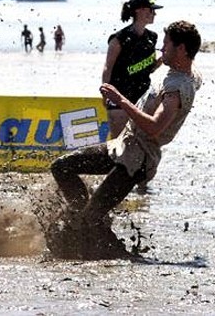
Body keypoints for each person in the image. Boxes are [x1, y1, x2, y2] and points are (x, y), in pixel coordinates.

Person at [49, 20, 202, 255]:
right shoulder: (186, 74)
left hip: (138, 159)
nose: (161, 49)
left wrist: (121, 100)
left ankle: (121, 257)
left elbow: (154, 127)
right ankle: (81, 222)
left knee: (93, 216)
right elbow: (191, 74)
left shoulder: (177, 89)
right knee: (62, 167)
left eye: (166, 45)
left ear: (181, 49)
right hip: (123, 145)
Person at [102, 0, 164, 138]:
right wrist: (105, 92)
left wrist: (164, 59)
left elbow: (149, 69)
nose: (154, 13)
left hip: (143, 97)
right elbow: (108, 67)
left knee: (141, 145)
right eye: (151, 10)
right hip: (119, 97)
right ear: (139, 11)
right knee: (118, 144)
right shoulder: (119, 38)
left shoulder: (152, 37)